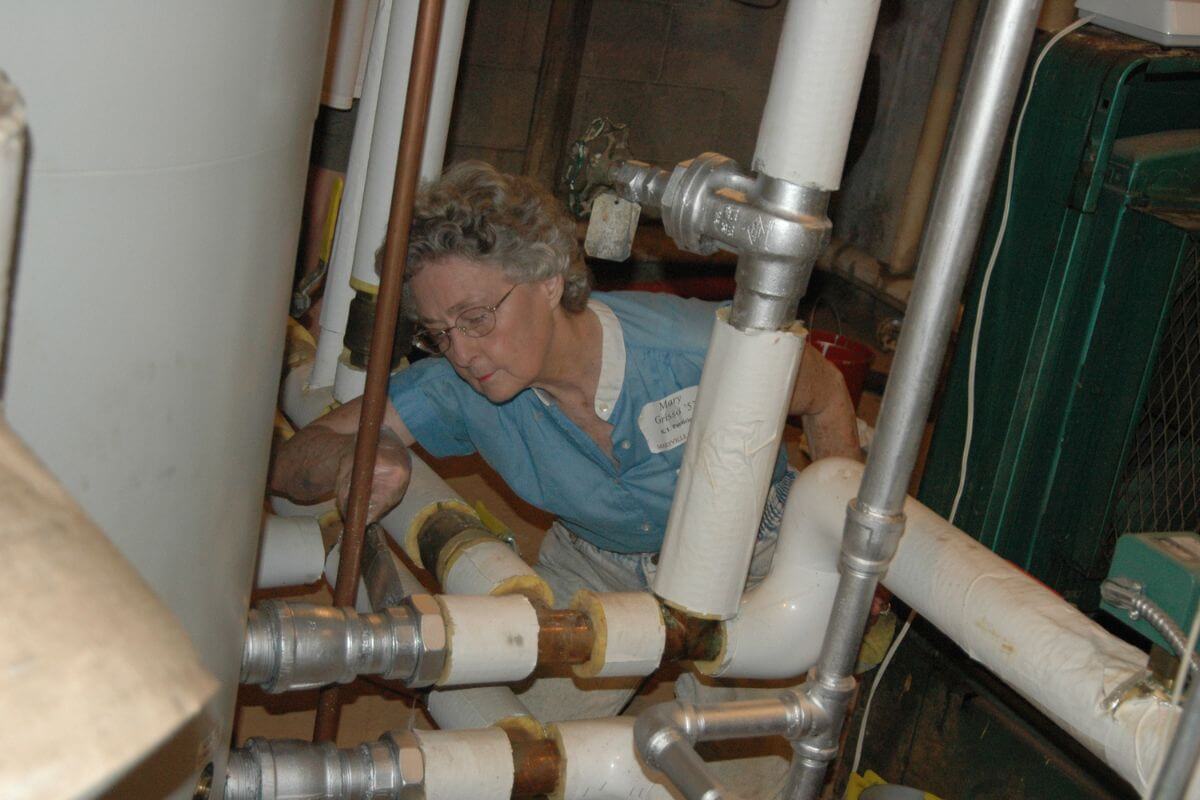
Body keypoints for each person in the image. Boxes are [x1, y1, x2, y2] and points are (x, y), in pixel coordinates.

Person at [271, 161, 862, 719]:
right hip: (595, 561)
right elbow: (293, 460)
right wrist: (367, 454)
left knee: (743, 767)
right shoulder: (460, 387)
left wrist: (844, 577)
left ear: (550, 279)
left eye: (477, 318)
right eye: (438, 333)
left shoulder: (695, 351)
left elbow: (827, 390)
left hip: (750, 556)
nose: (463, 353)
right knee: (505, 743)